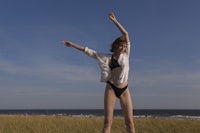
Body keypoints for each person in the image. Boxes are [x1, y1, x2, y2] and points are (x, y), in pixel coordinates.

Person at [63, 13, 135, 133]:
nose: (123, 48)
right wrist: (72, 45)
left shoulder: (126, 55)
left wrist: (115, 21)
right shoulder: (106, 57)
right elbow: (88, 51)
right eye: (121, 46)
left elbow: (126, 34)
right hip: (111, 88)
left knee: (130, 123)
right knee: (107, 123)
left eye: (124, 46)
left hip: (124, 89)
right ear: (115, 46)